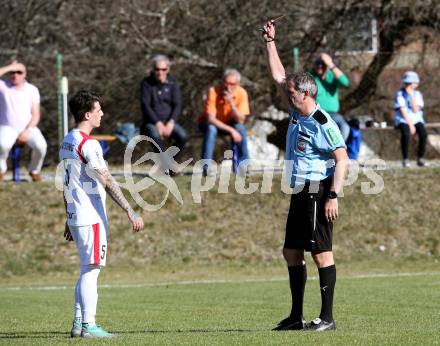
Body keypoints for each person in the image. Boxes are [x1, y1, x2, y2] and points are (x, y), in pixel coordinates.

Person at [263, 19, 349, 332]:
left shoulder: (322, 122)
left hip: (318, 190)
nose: (286, 94)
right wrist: (270, 42)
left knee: (321, 252)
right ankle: (296, 316)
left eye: (291, 92)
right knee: (291, 251)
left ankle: (327, 318)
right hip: (300, 190)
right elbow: (279, 75)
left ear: (305, 93)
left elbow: (342, 159)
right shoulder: (297, 110)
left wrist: (333, 195)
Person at [60, 90, 144, 338]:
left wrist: (67, 215)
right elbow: (106, 179)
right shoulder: (88, 144)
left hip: (76, 214)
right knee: (92, 269)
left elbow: (66, 183)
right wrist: (130, 210)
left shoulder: (67, 140)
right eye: (98, 110)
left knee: (86, 268)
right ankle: (89, 325)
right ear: (87, 114)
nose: (102, 114)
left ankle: (78, 323)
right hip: (90, 215)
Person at [0, 60, 47, 182]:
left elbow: (36, 114)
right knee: (2, 145)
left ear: (25, 74)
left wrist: (28, 130)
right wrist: (10, 66)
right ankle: (1, 170)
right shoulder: (3, 86)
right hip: (7, 127)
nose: (15, 75)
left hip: (28, 127)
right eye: (12, 72)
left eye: (19, 72)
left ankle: (34, 171)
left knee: (41, 146)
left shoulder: (32, 90)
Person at [198, 68, 250, 174]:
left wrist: (232, 104)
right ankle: (206, 167)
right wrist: (232, 131)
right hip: (209, 124)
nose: (228, 87)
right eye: (226, 83)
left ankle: (243, 166)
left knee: (240, 128)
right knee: (211, 129)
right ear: (222, 82)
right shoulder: (213, 91)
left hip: (229, 124)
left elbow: (241, 120)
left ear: (238, 84)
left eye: (232, 84)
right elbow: (210, 119)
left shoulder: (242, 93)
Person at [140, 55, 188, 164]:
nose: (160, 72)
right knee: (155, 136)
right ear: (153, 69)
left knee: (183, 136)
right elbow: (145, 106)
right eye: (157, 69)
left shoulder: (173, 83)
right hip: (151, 123)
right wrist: (158, 123)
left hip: (169, 122)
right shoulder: (146, 83)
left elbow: (177, 105)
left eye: (163, 69)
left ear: (168, 69)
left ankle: (169, 164)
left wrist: (171, 123)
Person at [310, 53, 351, 142]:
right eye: (318, 63)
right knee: (320, 131)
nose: (320, 66)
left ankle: (338, 150)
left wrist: (331, 65)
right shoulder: (311, 76)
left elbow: (345, 83)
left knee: (345, 127)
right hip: (316, 113)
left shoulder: (332, 75)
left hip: (333, 114)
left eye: (323, 64)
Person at [394, 71, 427, 167]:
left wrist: (411, 96)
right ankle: (405, 159)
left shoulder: (418, 94)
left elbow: (416, 110)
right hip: (403, 120)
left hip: (416, 119)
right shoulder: (399, 94)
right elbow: (402, 110)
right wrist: (410, 125)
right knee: (405, 134)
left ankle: (420, 158)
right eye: (407, 83)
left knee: (423, 134)